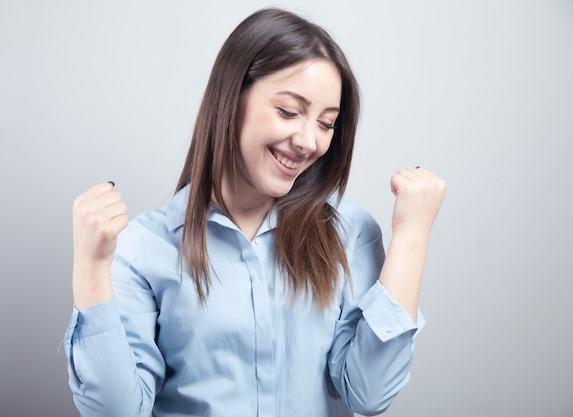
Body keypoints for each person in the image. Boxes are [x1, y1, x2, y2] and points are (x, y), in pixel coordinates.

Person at [65, 7, 446, 417]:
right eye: (288, 111)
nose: (308, 141)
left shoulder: (349, 233)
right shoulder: (145, 247)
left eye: (327, 123)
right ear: (232, 98)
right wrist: (90, 270)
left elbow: (369, 394)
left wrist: (411, 236)